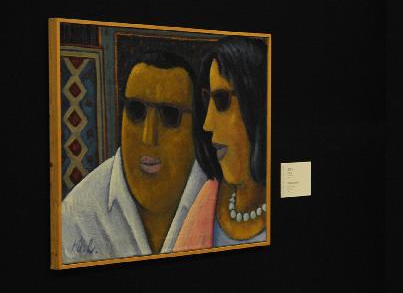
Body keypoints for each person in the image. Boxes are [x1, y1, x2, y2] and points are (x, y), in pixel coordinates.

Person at [61, 51, 207, 263]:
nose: (149, 137)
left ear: (196, 126)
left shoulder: (220, 195)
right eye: (136, 111)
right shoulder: (78, 214)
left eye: (169, 115)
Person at [175, 36, 268, 249]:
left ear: (254, 102)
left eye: (221, 100)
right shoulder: (206, 197)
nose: (207, 124)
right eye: (207, 101)